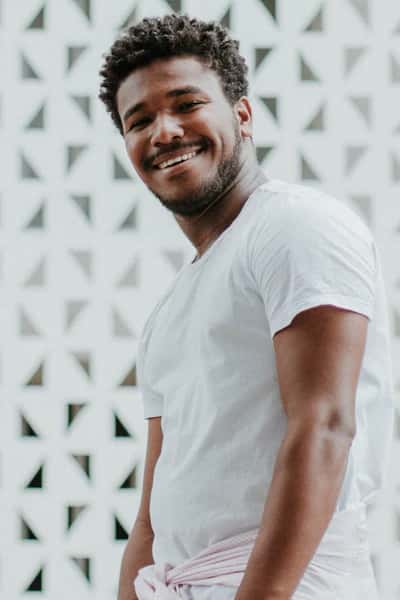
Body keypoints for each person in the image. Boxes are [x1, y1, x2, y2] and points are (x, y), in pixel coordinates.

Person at [98, 13, 394, 600]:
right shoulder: (169, 310)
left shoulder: (295, 226)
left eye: (186, 104)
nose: (164, 132)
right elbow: (153, 518)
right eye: (140, 121)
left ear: (242, 115)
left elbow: (324, 427)